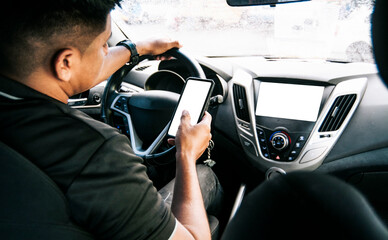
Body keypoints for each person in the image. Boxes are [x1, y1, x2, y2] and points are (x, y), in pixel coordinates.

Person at [0, 1, 222, 239]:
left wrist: (137, 48)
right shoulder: (96, 152)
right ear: (65, 63)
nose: (107, 50)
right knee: (204, 176)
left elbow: (83, 68)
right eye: (103, 43)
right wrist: (185, 154)